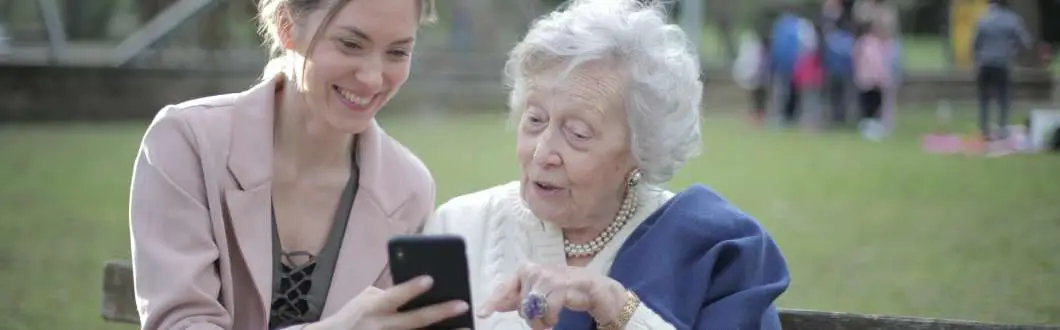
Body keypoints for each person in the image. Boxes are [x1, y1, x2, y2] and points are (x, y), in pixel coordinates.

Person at [424, 1, 791, 329]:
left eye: (578, 134)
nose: (542, 153)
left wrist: (615, 306)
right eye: (535, 120)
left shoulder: (713, 249)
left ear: (641, 151)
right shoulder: (458, 228)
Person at [127, 0, 472, 329]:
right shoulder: (187, 143)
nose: (371, 77)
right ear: (286, 27)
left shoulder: (408, 188)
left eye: (397, 52)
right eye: (350, 44)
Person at [971, 0, 1033, 146]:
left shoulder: (983, 19)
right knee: (1004, 97)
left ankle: (984, 129)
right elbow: (1026, 42)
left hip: (985, 63)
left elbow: (975, 44)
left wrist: (978, 57)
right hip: (1002, 63)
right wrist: (1014, 50)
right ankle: (1003, 128)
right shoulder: (1013, 20)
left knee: (984, 98)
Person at [853, 21, 893, 141]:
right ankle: (867, 127)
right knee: (868, 105)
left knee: (876, 105)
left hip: (877, 81)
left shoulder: (881, 45)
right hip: (867, 80)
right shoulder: (865, 44)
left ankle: (876, 127)